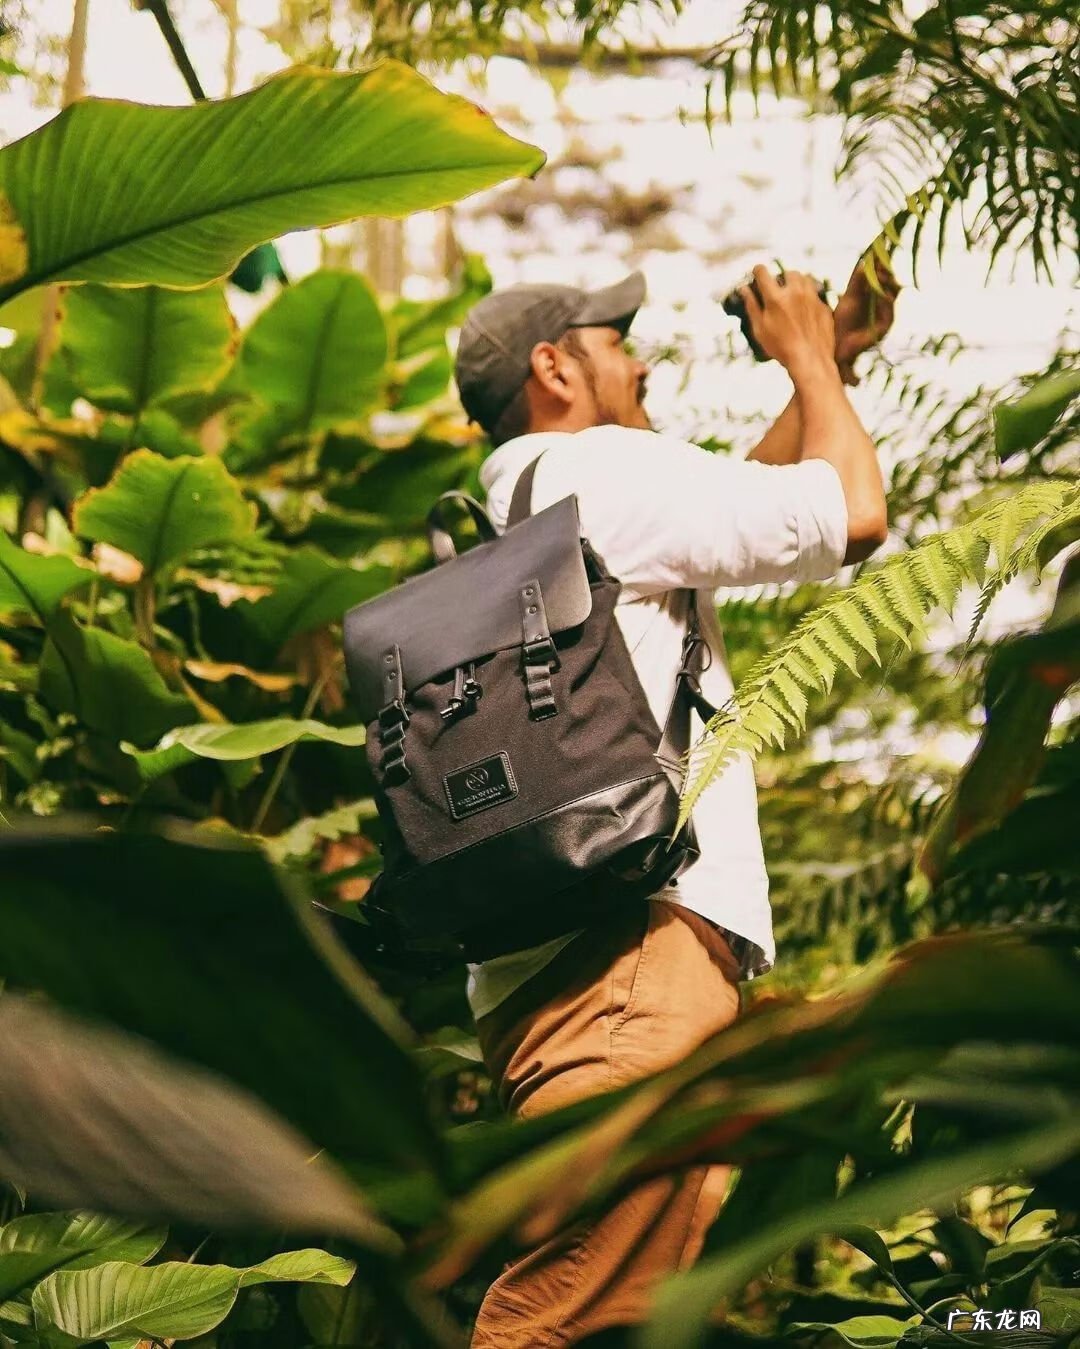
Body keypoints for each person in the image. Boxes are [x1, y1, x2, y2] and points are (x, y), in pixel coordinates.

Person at [452, 259, 897, 1347]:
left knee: (620, 1311)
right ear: (557, 367)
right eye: (616, 342)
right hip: (629, 965)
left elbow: (730, 508)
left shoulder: (530, 500)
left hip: (575, 966)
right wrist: (800, 351)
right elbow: (854, 511)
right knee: (564, 1314)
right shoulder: (594, 470)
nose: (639, 359)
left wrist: (826, 364)